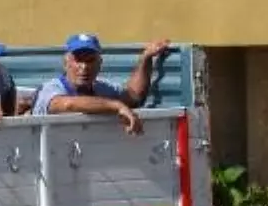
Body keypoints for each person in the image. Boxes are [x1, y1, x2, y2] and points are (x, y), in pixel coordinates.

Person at [31, 33, 170, 134]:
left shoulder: (101, 88)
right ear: (66, 63)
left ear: (100, 64)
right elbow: (67, 104)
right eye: (78, 60)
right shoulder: (51, 88)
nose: (84, 67)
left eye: (90, 61)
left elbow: (134, 97)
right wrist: (116, 106)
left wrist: (146, 58)